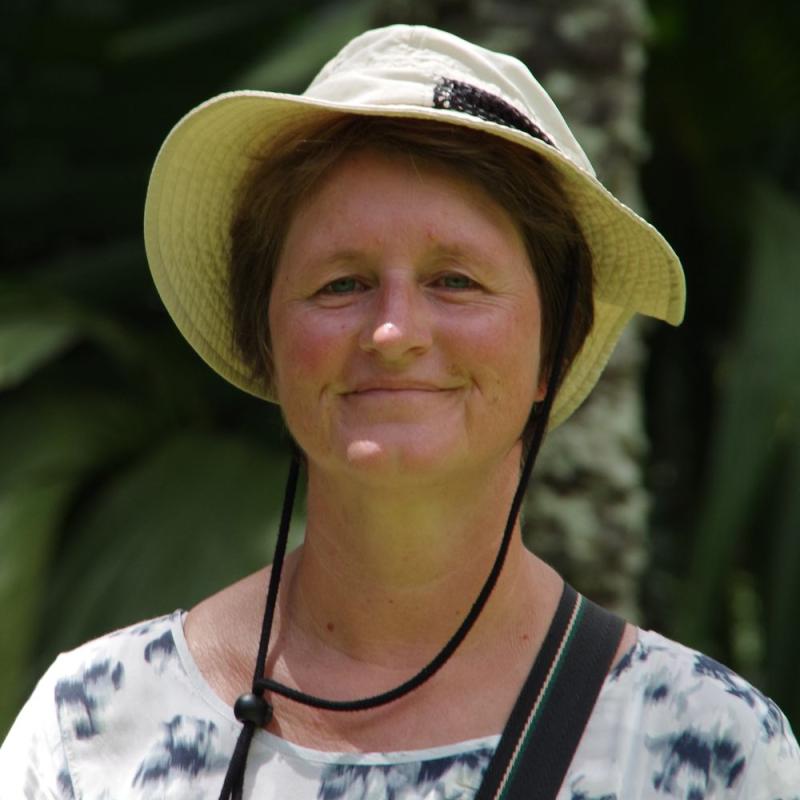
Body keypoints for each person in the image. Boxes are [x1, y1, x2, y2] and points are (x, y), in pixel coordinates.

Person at [1, 24, 798, 800]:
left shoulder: (709, 750)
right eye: (341, 284)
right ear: (266, 342)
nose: (392, 332)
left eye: (455, 281)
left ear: (554, 348)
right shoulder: (93, 728)